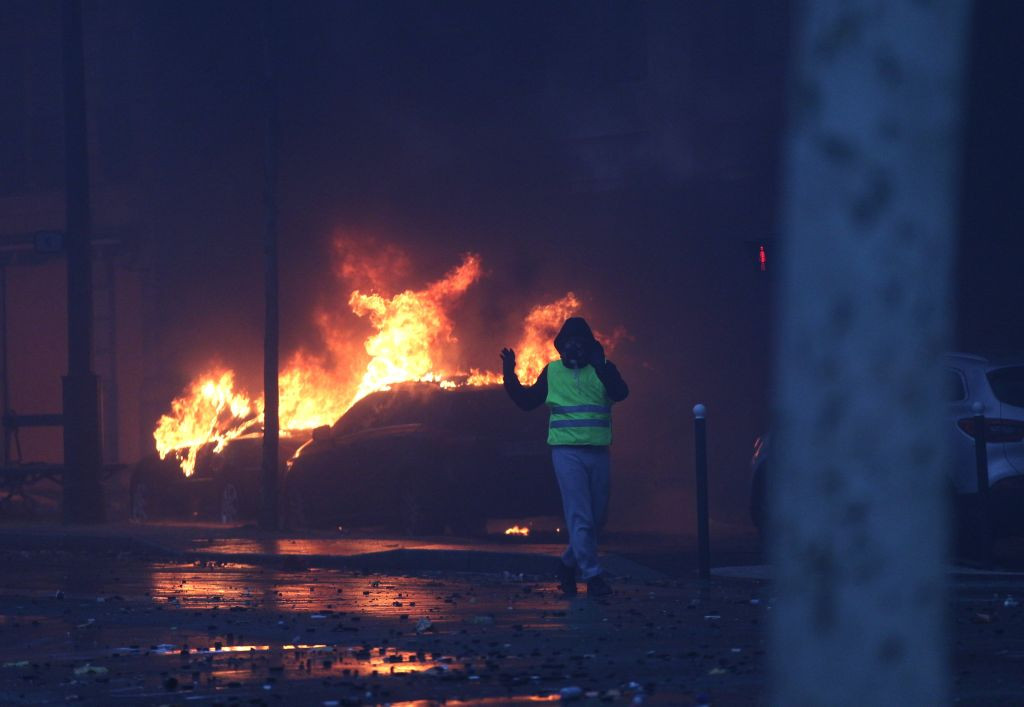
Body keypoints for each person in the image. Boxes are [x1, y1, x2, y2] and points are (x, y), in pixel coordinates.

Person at [501, 317, 628, 597]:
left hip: (598, 452)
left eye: (579, 343)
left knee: (597, 520)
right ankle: (593, 576)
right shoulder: (553, 372)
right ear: (560, 347)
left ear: (590, 346)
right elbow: (526, 402)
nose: (574, 348)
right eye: (568, 343)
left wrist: (602, 366)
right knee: (580, 516)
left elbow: (621, 393)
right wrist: (509, 375)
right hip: (566, 453)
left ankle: (567, 564)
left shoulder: (603, 369)